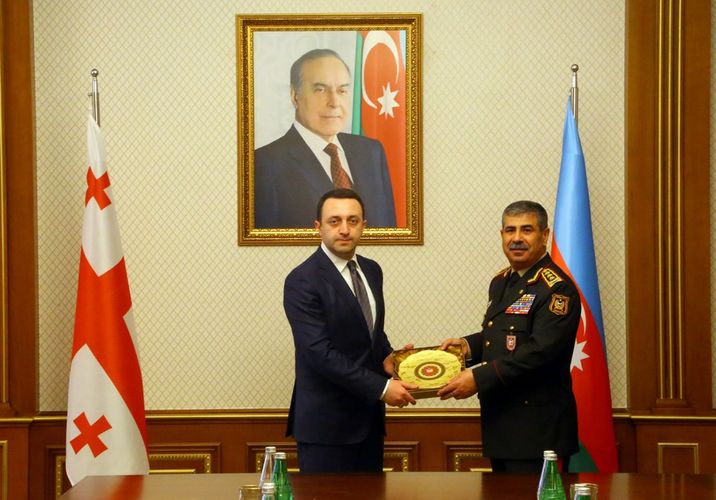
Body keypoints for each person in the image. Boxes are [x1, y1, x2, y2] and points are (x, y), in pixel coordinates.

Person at [437, 200, 580, 473]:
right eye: (510, 230)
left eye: (526, 230)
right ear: (502, 235)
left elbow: (539, 351)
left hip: (539, 432)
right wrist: (466, 347)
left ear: (544, 236)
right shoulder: (502, 281)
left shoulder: (557, 288)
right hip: (501, 424)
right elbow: (501, 334)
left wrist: (478, 378)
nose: (516, 238)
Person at [283, 188, 415, 473]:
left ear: (363, 226)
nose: (344, 229)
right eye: (334, 221)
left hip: (369, 422)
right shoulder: (302, 280)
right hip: (326, 428)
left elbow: (370, 330)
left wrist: (389, 358)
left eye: (352, 221)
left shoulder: (372, 270)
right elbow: (319, 353)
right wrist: (382, 388)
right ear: (318, 227)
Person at [255, 49, 396, 228]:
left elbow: (389, 231)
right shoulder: (263, 165)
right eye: (320, 90)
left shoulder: (371, 152)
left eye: (342, 90)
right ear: (295, 96)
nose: (334, 102)